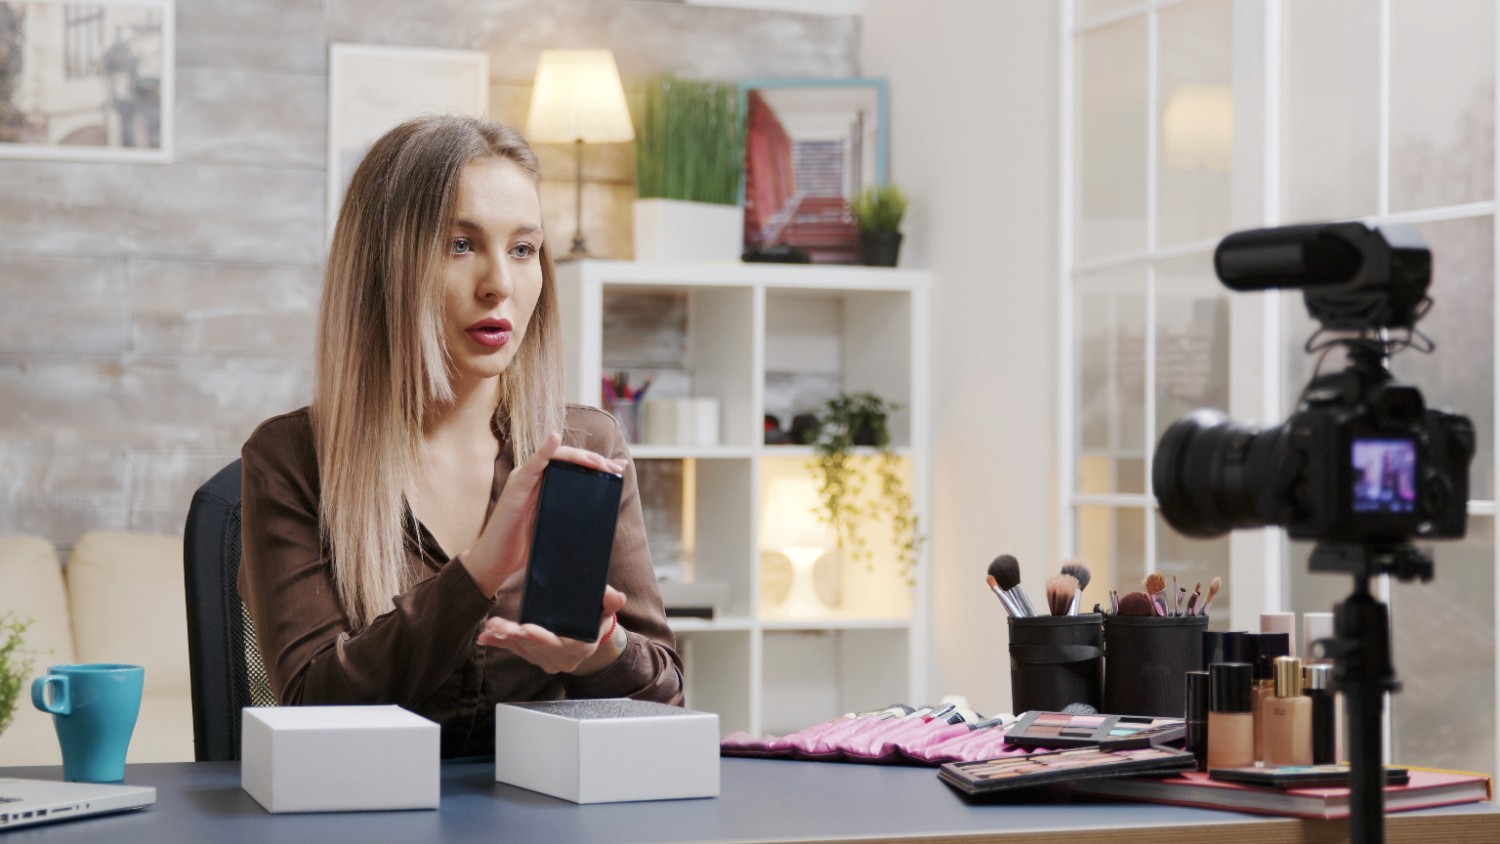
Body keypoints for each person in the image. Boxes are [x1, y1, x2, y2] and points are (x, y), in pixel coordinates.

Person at [239, 114, 684, 757]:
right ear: (383, 266)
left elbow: (665, 700)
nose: (499, 284)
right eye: (460, 245)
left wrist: (599, 652)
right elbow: (313, 705)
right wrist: (476, 576)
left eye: (523, 249)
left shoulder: (587, 446)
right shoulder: (291, 460)